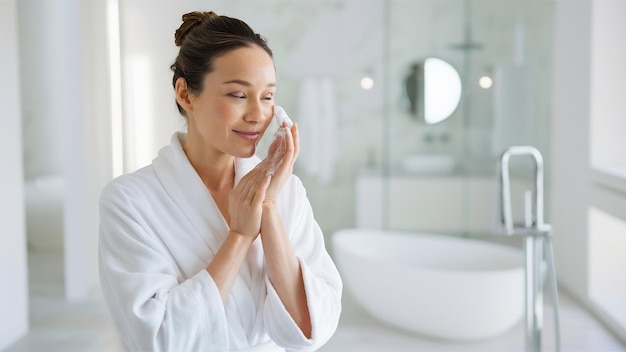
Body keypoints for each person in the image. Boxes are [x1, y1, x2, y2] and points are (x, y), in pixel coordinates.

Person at [98, 10, 342, 352]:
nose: (258, 114)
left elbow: (312, 327)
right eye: (238, 95)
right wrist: (240, 235)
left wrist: (267, 206)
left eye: (268, 96)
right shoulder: (129, 201)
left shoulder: (288, 193)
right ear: (185, 94)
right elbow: (159, 339)